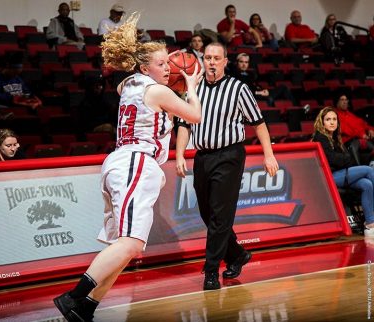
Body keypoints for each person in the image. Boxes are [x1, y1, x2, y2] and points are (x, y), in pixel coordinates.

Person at [53, 13, 203, 321]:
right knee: (131, 243)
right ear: (145, 67)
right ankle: (73, 296)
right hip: (136, 162)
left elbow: (124, 83)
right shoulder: (158, 91)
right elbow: (195, 116)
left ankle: (86, 307)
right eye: (163, 64)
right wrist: (190, 85)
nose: (169, 68)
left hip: (119, 163)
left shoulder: (130, 84)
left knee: (124, 246)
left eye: (169, 63)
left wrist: (153, 65)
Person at [176, 42, 279, 291]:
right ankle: (237, 255)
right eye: (208, 57)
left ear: (225, 61)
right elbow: (184, 124)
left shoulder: (239, 88)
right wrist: (179, 154)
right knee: (207, 213)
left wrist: (269, 155)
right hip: (202, 156)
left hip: (230, 155)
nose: (211, 62)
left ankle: (211, 271)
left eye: (216, 58)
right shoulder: (194, 88)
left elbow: (259, 123)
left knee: (221, 216)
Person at [312, 106, 374, 236]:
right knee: (369, 170)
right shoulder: (320, 138)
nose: (332, 122)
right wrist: (343, 160)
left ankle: (370, 224)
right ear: (322, 122)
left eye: (334, 119)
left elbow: (347, 159)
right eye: (328, 119)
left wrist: (342, 160)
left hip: (340, 174)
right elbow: (334, 160)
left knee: (366, 184)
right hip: (328, 177)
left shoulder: (336, 138)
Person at [334, 94, 374, 166]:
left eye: (346, 100)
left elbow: (363, 124)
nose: (345, 102)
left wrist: (370, 129)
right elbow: (345, 130)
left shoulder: (350, 114)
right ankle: (359, 169)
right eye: (342, 100)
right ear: (337, 102)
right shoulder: (334, 115)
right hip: (347, 143)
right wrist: (361, 134)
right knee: (355, 146)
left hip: (360, 140)